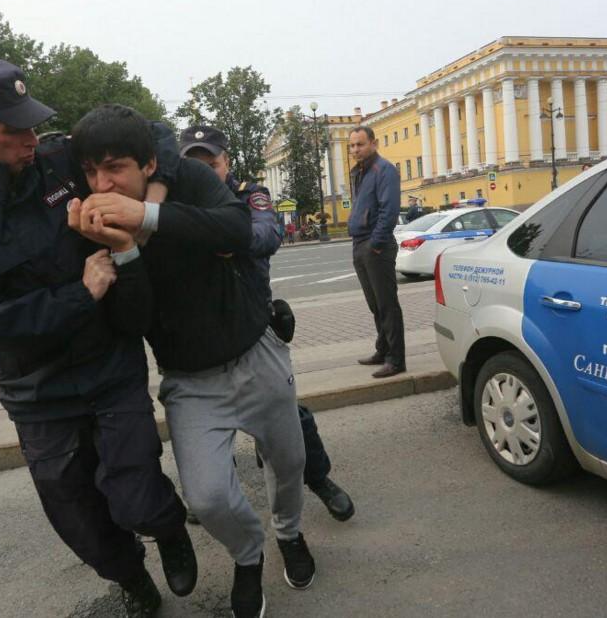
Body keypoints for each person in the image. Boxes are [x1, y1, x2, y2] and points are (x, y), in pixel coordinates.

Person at [0, 58, 194, 618]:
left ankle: (168, 531)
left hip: (109, 367)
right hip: (38, 394)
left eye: (32, 122)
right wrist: (80, 293)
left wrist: (147, 207)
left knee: (137, 492)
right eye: (14, 129)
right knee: (81, 522)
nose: (30, 137)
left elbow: (154, 136)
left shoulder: (60, 158)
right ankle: (131, 579)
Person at [69, 105, 315, 618]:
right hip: (189, 382)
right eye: (92, 171)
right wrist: (125, 251)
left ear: (149, 165)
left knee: (290, 463)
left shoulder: (192, 179)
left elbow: (235, 227)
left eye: (115, 167)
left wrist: (148, 216)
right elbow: (135, 322)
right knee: (206, 498)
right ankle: (249, 555)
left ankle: (289, 532)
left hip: (256, 353)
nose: (102, 182)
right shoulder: (97, 224)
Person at [180, 124, 355, 523]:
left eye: (213, 163)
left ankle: (319, 479)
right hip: (202, 334)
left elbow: (264, 235)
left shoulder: (249, 196)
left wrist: (218, 236)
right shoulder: (176, 202)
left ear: (227, 162)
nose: (206, 173)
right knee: (208, 426)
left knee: (288, 419)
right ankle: (211, 492)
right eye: (196, 166)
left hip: (255, 326)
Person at [347, 125, 406, 378]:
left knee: (387, 304)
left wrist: (376, 244)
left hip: (375, 245)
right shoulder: (360, 172)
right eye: (352, 146)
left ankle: (396, 359)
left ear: (373, 143)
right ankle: (382, 350)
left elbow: (389, 211)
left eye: (360, 144)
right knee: (375, 305)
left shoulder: (384, 170)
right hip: (360, 243)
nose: (355, 150)